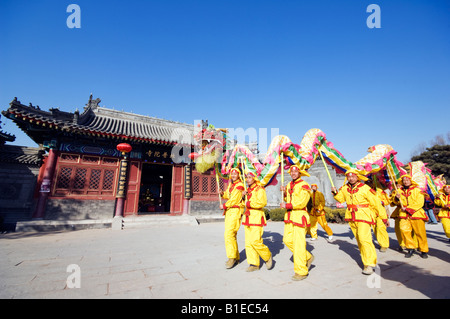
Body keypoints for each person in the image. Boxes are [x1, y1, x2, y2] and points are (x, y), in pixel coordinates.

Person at [331, 169, 383, 275]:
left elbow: (376, 202)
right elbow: (340, 199)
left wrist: (383, 216)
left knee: (364, 239)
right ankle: (368, 261)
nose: (351, 178)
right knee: (360, 240)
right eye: (349, 177)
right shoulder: (345, 188)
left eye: (353, 176)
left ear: (357, 177)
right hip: (351, 216)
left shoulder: (365, 188)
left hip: (363, 215)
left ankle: (369, 264)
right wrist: (335, 192)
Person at [280, 164, 314, 281]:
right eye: (291, 172)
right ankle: (308, 256)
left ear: (300, 173)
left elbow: (302, 202)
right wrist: (284, 194)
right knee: (287, 240)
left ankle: (301, 271)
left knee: (299, 245)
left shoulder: (304, 185)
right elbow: (288, 199)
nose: (293, 173)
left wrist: (287, 205)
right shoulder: (289, 184)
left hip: (299, 215)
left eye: (295, 172)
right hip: (290, 216)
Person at [241, 171, 273, 272]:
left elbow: (262, 202)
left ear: (254, 178)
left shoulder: (260, 189)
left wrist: (249, 203)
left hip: (256, 216)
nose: (247, 179)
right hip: (247, 217)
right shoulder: (247, 190)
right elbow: (244, 204)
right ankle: (254, 263)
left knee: (255, 241)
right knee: (248, 243)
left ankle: (267, 256)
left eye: (250, 177)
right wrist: (242, 196)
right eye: (247, 178)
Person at [391, 175, 429, 259]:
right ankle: (410, 248)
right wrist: (396, 199)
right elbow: (394, 202)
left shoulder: (417, 190)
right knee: (404, 231)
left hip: (416, 214)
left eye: (407, 180)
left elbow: (420, 203)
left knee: (420, 233)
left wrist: (408, 208)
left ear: (411, 181)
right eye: (404, 180)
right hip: (403, 214)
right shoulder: (398, 191)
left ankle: (423, 250)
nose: (405, 181)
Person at [220, 167, 245, 269]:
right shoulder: (232, 184)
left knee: (229, 234)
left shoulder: (240, 186)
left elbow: (234, 199)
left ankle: (232, 257)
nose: (233, 175)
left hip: (235, 211)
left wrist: (224, 206)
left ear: (239, 175)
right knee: (231, 235)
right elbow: (228, 195)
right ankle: (236, 257)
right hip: (229, 212)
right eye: (232, 174)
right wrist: (222, 193)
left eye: (235, 174)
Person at [366, 179, 390, 252]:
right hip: (370, 212)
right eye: (367, 182)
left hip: (380, 211)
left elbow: (387, 201)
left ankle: (384, 245)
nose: (369, 183)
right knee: (375, 229)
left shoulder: (379, 190)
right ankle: (379, 242)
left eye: (370, 181)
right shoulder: (364, 191)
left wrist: (381, 202)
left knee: (381, 228)